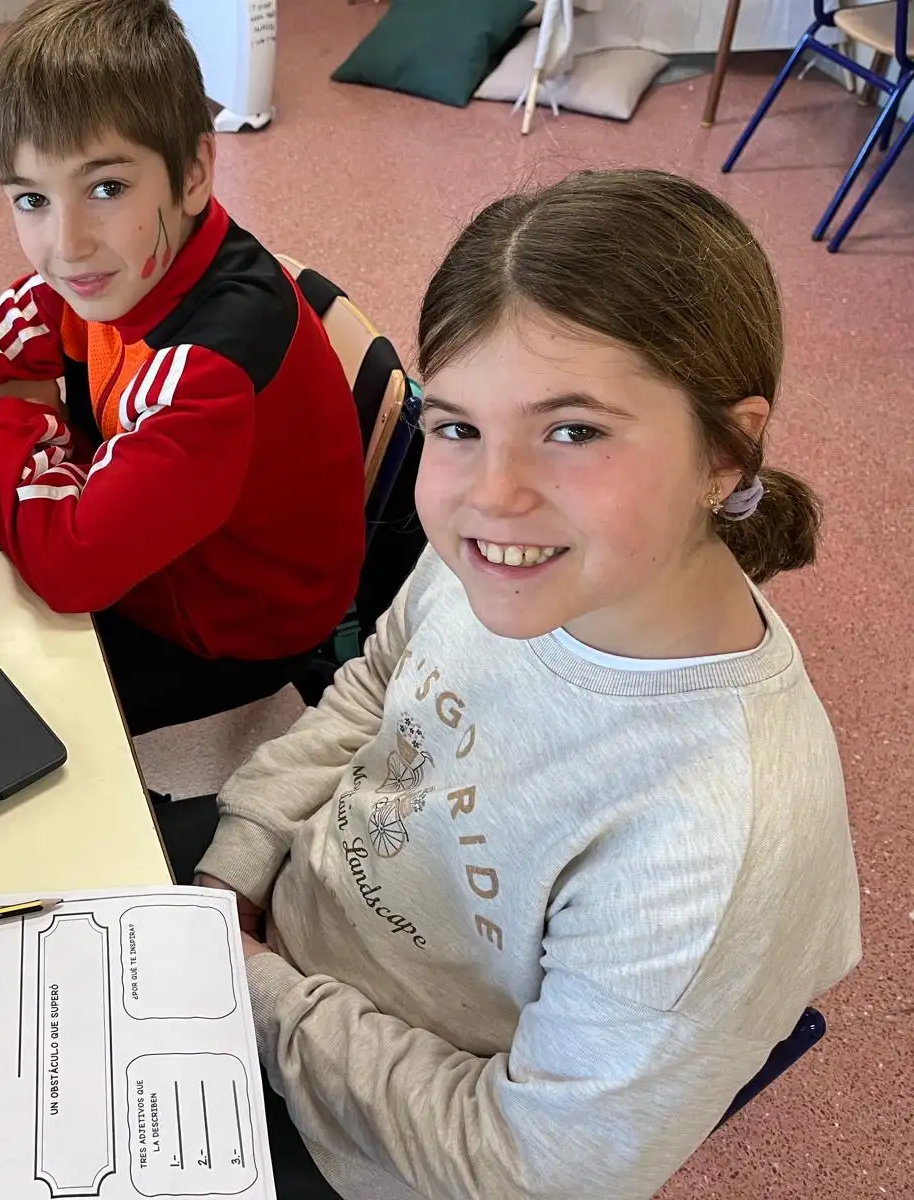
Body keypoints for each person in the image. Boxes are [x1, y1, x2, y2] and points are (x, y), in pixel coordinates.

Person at [166, 169, 862, 1199]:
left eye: (573, 430)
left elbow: (526, 1162)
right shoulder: (504, 561)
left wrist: (255, 994)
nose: (491, 497)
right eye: (456, 427)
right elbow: (376, 687)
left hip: (360, 1143)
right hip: (261, 927)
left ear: (726, 449)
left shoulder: (720, 837)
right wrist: (238, 864)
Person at [0, 0, 366, 736]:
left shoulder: (209, 368)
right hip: (154, 558)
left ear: (194, 172)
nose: (68, 245)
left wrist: (24, 409)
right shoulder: (119, 273)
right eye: (32, 199)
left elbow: (71, 568)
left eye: (106, 189)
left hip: (228, 636)